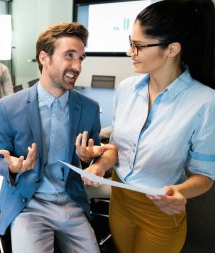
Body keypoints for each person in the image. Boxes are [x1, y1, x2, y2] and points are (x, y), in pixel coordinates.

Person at [82, 1, 215, 253]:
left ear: (171, 49)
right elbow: (118, 147)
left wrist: (179, 191)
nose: (129, 52)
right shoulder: (126, 89)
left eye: (138, 46)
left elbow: (205, 177)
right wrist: (100, 165)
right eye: (130, 43)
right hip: (120, 203)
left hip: (159, 214)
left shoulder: (205, 102)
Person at [0, 22, 106, 253]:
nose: (77, 66)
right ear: (44, 57)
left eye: (81, 58)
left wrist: (87, 161)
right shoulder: (9, 107)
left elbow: (94, 156)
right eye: (69, 56)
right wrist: (12, 167)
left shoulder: (90, 108)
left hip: (70, 201)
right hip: (29, 204)